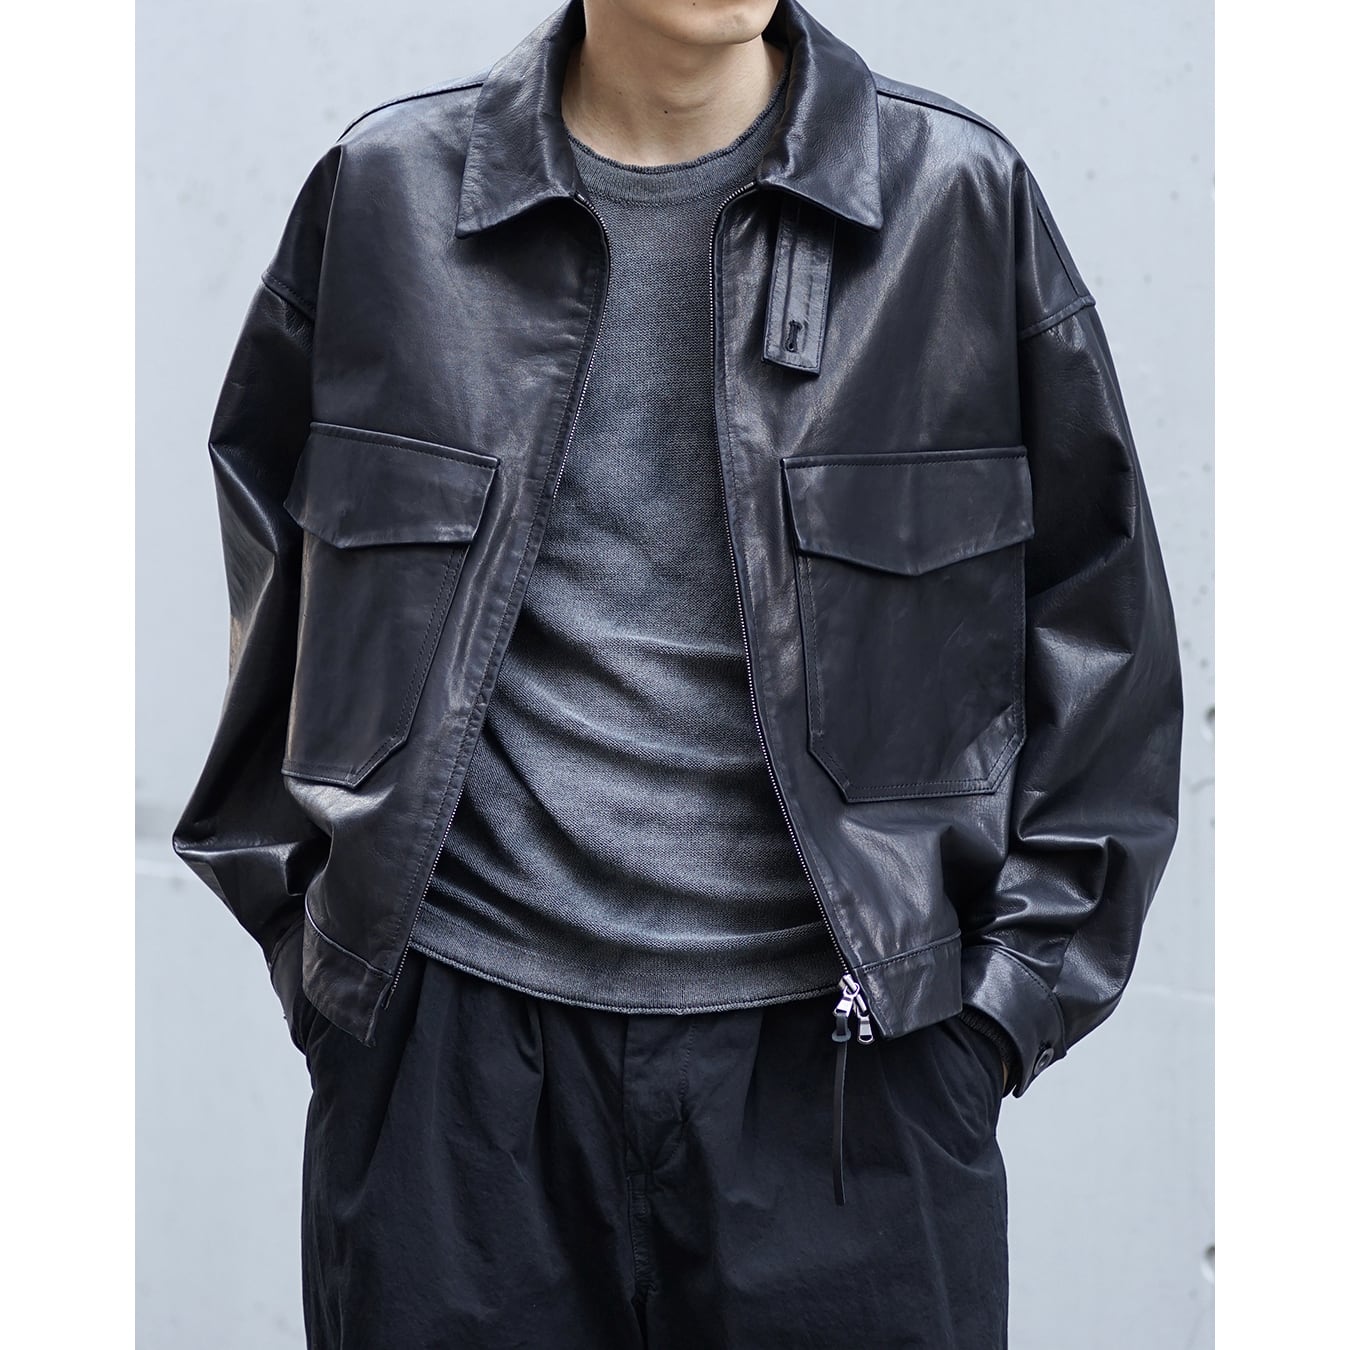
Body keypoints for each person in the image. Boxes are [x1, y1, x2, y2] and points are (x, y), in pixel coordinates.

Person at [172, 0, 1183, 1345]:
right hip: (455, 1082)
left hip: (849, 1088)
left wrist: (995, 1014)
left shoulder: (953, 203)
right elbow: (278, 586)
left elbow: (1105, 633)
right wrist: (331, 965)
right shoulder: (387, 197)